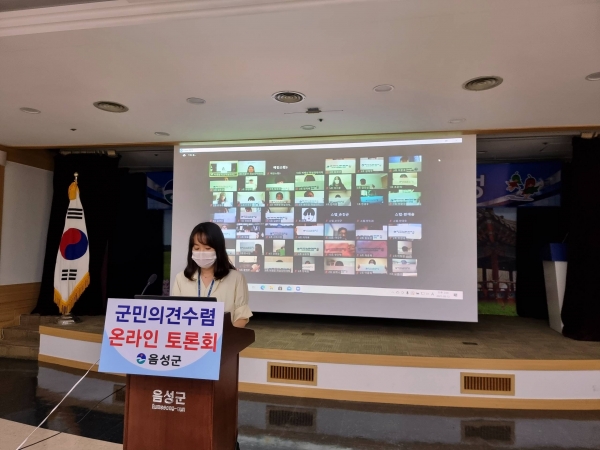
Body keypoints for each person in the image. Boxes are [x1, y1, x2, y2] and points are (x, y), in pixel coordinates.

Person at [172, 222, 252, 328]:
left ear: (218, 249)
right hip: (189, 336)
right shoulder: (181, 278)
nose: (201, 252)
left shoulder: (236, 278)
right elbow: (174, 314)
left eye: (207, 248)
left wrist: (224, 336)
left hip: (224, 337)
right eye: (197, 248)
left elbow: (241, 316)